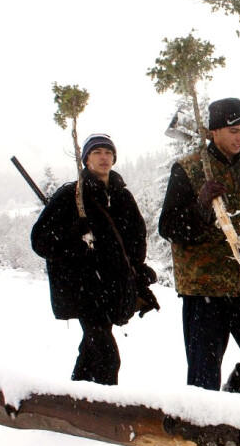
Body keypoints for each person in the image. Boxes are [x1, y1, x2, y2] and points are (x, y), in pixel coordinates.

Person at [158, 98, 240, 394]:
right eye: (234, 130)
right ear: (214, 132)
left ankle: (237, 391)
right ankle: (200, 436)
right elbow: (169, 228)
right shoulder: (188, 170)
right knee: (203, 380)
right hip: (205, 292)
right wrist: (201, 204)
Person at [32, 133, 159, 386]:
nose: (103, 157)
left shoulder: (122, 195)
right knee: (108, 357)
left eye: (108, 152)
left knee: (92, 352)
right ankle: (106, 417)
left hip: (113, 289)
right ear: (86, 158)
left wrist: (137, 269)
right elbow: (40, 240)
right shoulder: (71, 195)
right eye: (97, 152)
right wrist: (72, 236)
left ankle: (76, 404)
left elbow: (135, 237)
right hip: (85, 291)